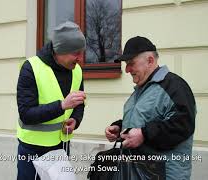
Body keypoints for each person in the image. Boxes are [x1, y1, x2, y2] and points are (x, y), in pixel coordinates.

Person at [105, 36, 196, 180]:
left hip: (165, 174)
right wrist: (120, 128)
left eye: (131, 63)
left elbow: (183, 125)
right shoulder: (142, 88)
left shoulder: (175, 86)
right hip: (140, 172)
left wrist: (143, 134)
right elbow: (145, 119)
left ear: (150, 61)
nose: (127, 70)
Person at [16, 21, 86, 180]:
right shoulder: (31, 67)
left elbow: (79, 103)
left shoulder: (77, 71)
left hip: (61, 147)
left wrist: (76, 119)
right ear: (60, 50)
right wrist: (62, 106)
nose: (81, 58)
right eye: (76, 53)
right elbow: (26, 114)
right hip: (32, 150)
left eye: (82, 52)